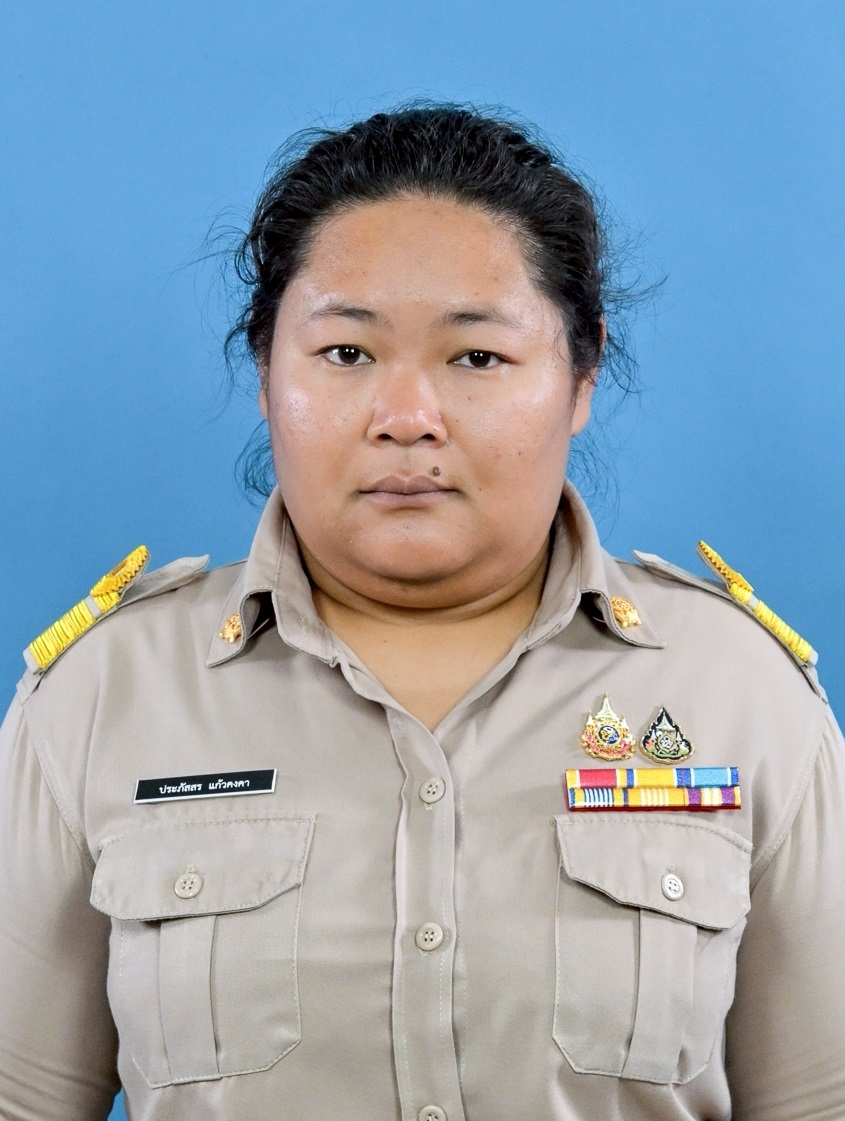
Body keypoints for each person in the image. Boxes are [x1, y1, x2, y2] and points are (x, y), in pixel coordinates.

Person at [0, 104, 843, 1121]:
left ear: (579, 375)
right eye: (346, 353)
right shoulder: (103, 693)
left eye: (475, 358)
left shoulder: (737, 691)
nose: (406, 418)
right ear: (265, 371)